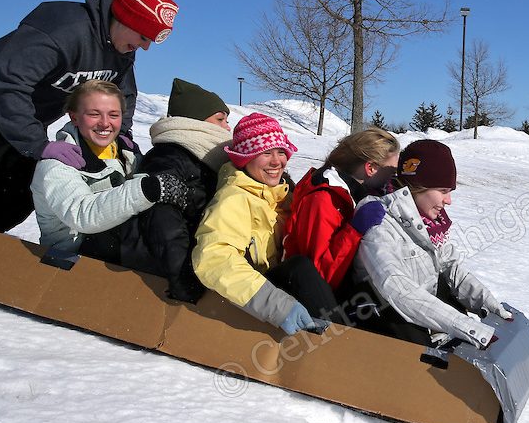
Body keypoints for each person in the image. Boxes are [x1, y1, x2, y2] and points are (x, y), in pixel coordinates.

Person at [0, 0, 179, 232]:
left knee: (16, 196)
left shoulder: (119, 49)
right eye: (144, 37)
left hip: (20, 122)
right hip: (5, 105)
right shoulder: (63, 30)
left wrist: (122, 133)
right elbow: (7, 84)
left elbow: (123, 93)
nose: (145, 47)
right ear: (128, 20)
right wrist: (37, 144)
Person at [192, 113, 341, 336]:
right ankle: (345, 346)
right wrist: (277, 305)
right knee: (299, 268)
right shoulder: (234, 199)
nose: (276, 161)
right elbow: (214, 259)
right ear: (244, 158)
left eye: (281, 152)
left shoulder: (282, 196)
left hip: (279, 288)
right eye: (265, 153)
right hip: (253, 297)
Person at [353, 139, 512, 349]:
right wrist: (467, 327)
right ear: (418, 187)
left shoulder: (428, 224)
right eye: (443, 191)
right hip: (382, 329)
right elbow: (398, 288)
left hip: (423, 324)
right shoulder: (380, 221)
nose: (449, 200)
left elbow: (450, 267)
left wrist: (490, 305)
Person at [84, 78, 232, 303]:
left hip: (169, 252)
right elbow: (163, 221)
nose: (227, 128)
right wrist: (184, 278)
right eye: (220, 119)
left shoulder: (204, 158)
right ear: (195, 121)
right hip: (139, 255)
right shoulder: (170, 157)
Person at [29, 80, 187, 253]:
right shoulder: (55, 166)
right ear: (74, 117)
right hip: (70, 257)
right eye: (94, 114)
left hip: (118, 249)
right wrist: (148, 189)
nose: (105, 123)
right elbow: (82, 215)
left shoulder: (126, 154)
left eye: (113, 115)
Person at [284, 128, 399, 293]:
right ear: (371, 168)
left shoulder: (353, 192)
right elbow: (317, 276)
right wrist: (354, 230)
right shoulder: (323, 198)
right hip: (309, 297)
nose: (393, 180)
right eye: (391, 172)